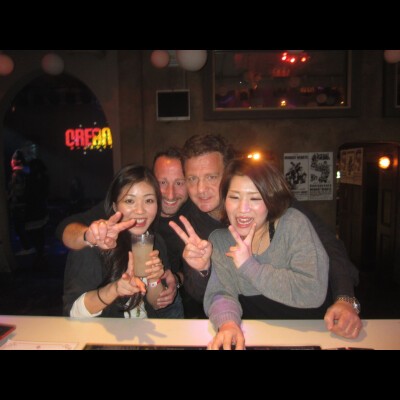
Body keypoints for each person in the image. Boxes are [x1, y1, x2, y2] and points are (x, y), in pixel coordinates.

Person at [170, 134, 362, 338]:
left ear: (227, 174)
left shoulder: (285, 213)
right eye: (192, 179)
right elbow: (210, 293)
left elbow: (330, 246)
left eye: (211, 177)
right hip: (254, 329)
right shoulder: (190, 224)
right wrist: (203, 270)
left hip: (313, 325)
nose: (201, 189)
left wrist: (345, 298)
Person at [202, 158, 329, 349]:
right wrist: (228, 323)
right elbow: (221, 293)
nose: (242, 209)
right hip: (257, 340)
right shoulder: (220, 241)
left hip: (309, 337)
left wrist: (250, 267)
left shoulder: (292, 224)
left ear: (271, 200)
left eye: (255, 198)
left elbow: (313, 290)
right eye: (234, 197)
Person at [56, 147, 195, 315]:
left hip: (155, 315)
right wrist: (87, 237)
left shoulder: (156, 241)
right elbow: (73, 312)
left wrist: (156, 279)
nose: (140, 211)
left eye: (149, 201)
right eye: (129, 201)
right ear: (115, 206)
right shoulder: (99, 241)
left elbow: (156, 304)